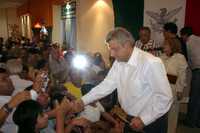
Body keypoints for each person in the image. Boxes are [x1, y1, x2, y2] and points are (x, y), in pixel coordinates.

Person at [71, 27, 173, 133]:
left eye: (115, 49)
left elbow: (165, 97)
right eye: (110, 49)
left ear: (127, 44)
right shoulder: (119, 63)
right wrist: (83, 101)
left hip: (152, 121)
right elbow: (106, 85)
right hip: (129, 118)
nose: (112, 54)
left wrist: (144, 119)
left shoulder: (150, 62)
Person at [160, 38, 188, 133]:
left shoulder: (180, 57)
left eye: (166, 44)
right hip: (161, 89)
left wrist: (180, 90)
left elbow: (182, 75)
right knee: (161, 114)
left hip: (173, 89)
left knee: (172, 114)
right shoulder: (161, 57)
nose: (163, 46)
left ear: (172, 46)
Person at [180, 27, 200, 127]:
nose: (182, 38)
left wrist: (190, 68)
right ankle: (198, 122)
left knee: (194, 97)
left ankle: (190, 122)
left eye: (182, 36)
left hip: (198, 71)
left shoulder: (189, 42)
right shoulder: (198, 39)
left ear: (185, 35)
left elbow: (191, 60)